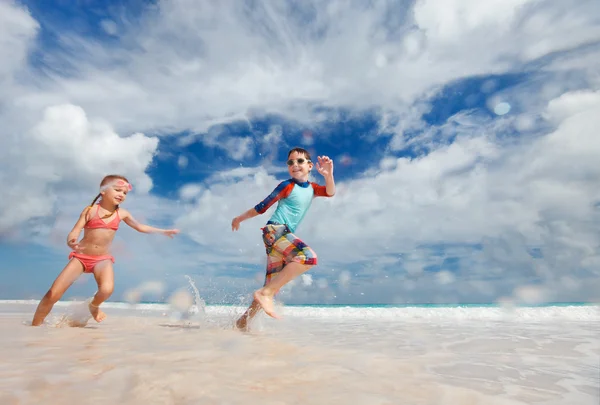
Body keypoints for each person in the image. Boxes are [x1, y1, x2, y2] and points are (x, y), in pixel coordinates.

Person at [31, 175, 179, 326]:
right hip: (81, 257)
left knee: (107, 290)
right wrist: (71, 242)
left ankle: (93, 306)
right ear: (103, 191)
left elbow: (140, 227)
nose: (122, 195)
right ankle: (35, 325)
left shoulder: (121, 214)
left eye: (125, 193)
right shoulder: (90, 211)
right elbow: (75, 231)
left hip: (102, 259)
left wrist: (163, 231)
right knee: (53, 293)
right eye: (117, 190)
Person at [231, 147, 335, 329]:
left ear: (310, 166)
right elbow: (262, 206)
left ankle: (243, 322)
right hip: (275, 231)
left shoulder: (312, 189)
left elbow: (330, 192)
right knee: (308, 257)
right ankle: (265, 294)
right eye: (290, 162)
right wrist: (239, 218)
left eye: (300, 161)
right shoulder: (287, 186)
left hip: (279, 236)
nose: (295, 165)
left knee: (271, 286)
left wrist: (328, 174)